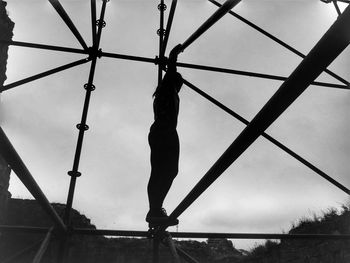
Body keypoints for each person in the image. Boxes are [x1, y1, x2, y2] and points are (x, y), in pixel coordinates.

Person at [146, 45, 183, 226]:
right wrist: (173, 56)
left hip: (162, 131)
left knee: (164, 171)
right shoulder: (168, 89)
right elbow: (171, 73)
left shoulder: (167, 93)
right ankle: (155, 210)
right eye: (179, 81)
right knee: (165, 171)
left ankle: (155, 209)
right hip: (164, 131)